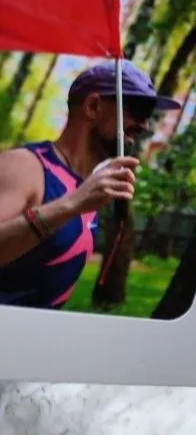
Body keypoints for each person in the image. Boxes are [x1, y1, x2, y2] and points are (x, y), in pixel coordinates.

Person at [0, 61, 180, 308]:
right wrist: (71, 205)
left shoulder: (87, 187)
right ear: (93, 107)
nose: (145, 125)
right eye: (138, 110)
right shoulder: (25, 166)